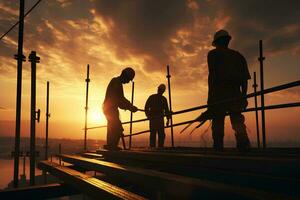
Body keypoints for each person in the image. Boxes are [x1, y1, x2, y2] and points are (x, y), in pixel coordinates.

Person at [207, 30, 251, 152]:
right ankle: (243, 147)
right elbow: (244, 80)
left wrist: (210, 98)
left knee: (218, 122)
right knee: (237, 121)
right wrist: (243, 96)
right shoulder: (239, 56)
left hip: (218, 96)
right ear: (227, 41)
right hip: (235, 95)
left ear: (216, 42)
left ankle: (218, 148)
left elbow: (212, 77)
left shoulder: (213, 55)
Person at [103, 67, 138, 150]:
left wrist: (129, 106)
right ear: (125, 76)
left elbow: (120, 99)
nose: (128, 82)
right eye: (129, 79)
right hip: (110, 109)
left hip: (109, 108)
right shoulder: (116, 82)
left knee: (114, 127)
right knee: (117, 127)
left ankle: (111, 145)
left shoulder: (116, 82)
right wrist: (130, 107)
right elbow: (119, 99)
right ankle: (112, 146)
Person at [145, 84, 170, 148]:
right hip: (155, 118)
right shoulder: (162, 99)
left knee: (157, 134)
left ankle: (156, 147)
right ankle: (156, 147)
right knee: (156, 134)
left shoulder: (155, 98)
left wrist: (168, 119)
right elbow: (146, 107)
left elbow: (166, 110)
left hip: (156, 118)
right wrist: (148, 116)